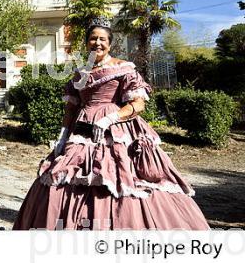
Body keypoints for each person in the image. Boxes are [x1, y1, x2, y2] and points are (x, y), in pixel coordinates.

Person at [13, 17, 209, 230]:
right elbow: (70, 109)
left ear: (110, 43)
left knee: (117, 174)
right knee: (70, 175)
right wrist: (62, 137)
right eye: (93, 39)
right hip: (82, 128)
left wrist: (110, 118)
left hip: (116, 129)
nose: (97, 43)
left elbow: (138, 104)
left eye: (102, 39)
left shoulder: (123, 68)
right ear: (86, 42)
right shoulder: (80, 72)